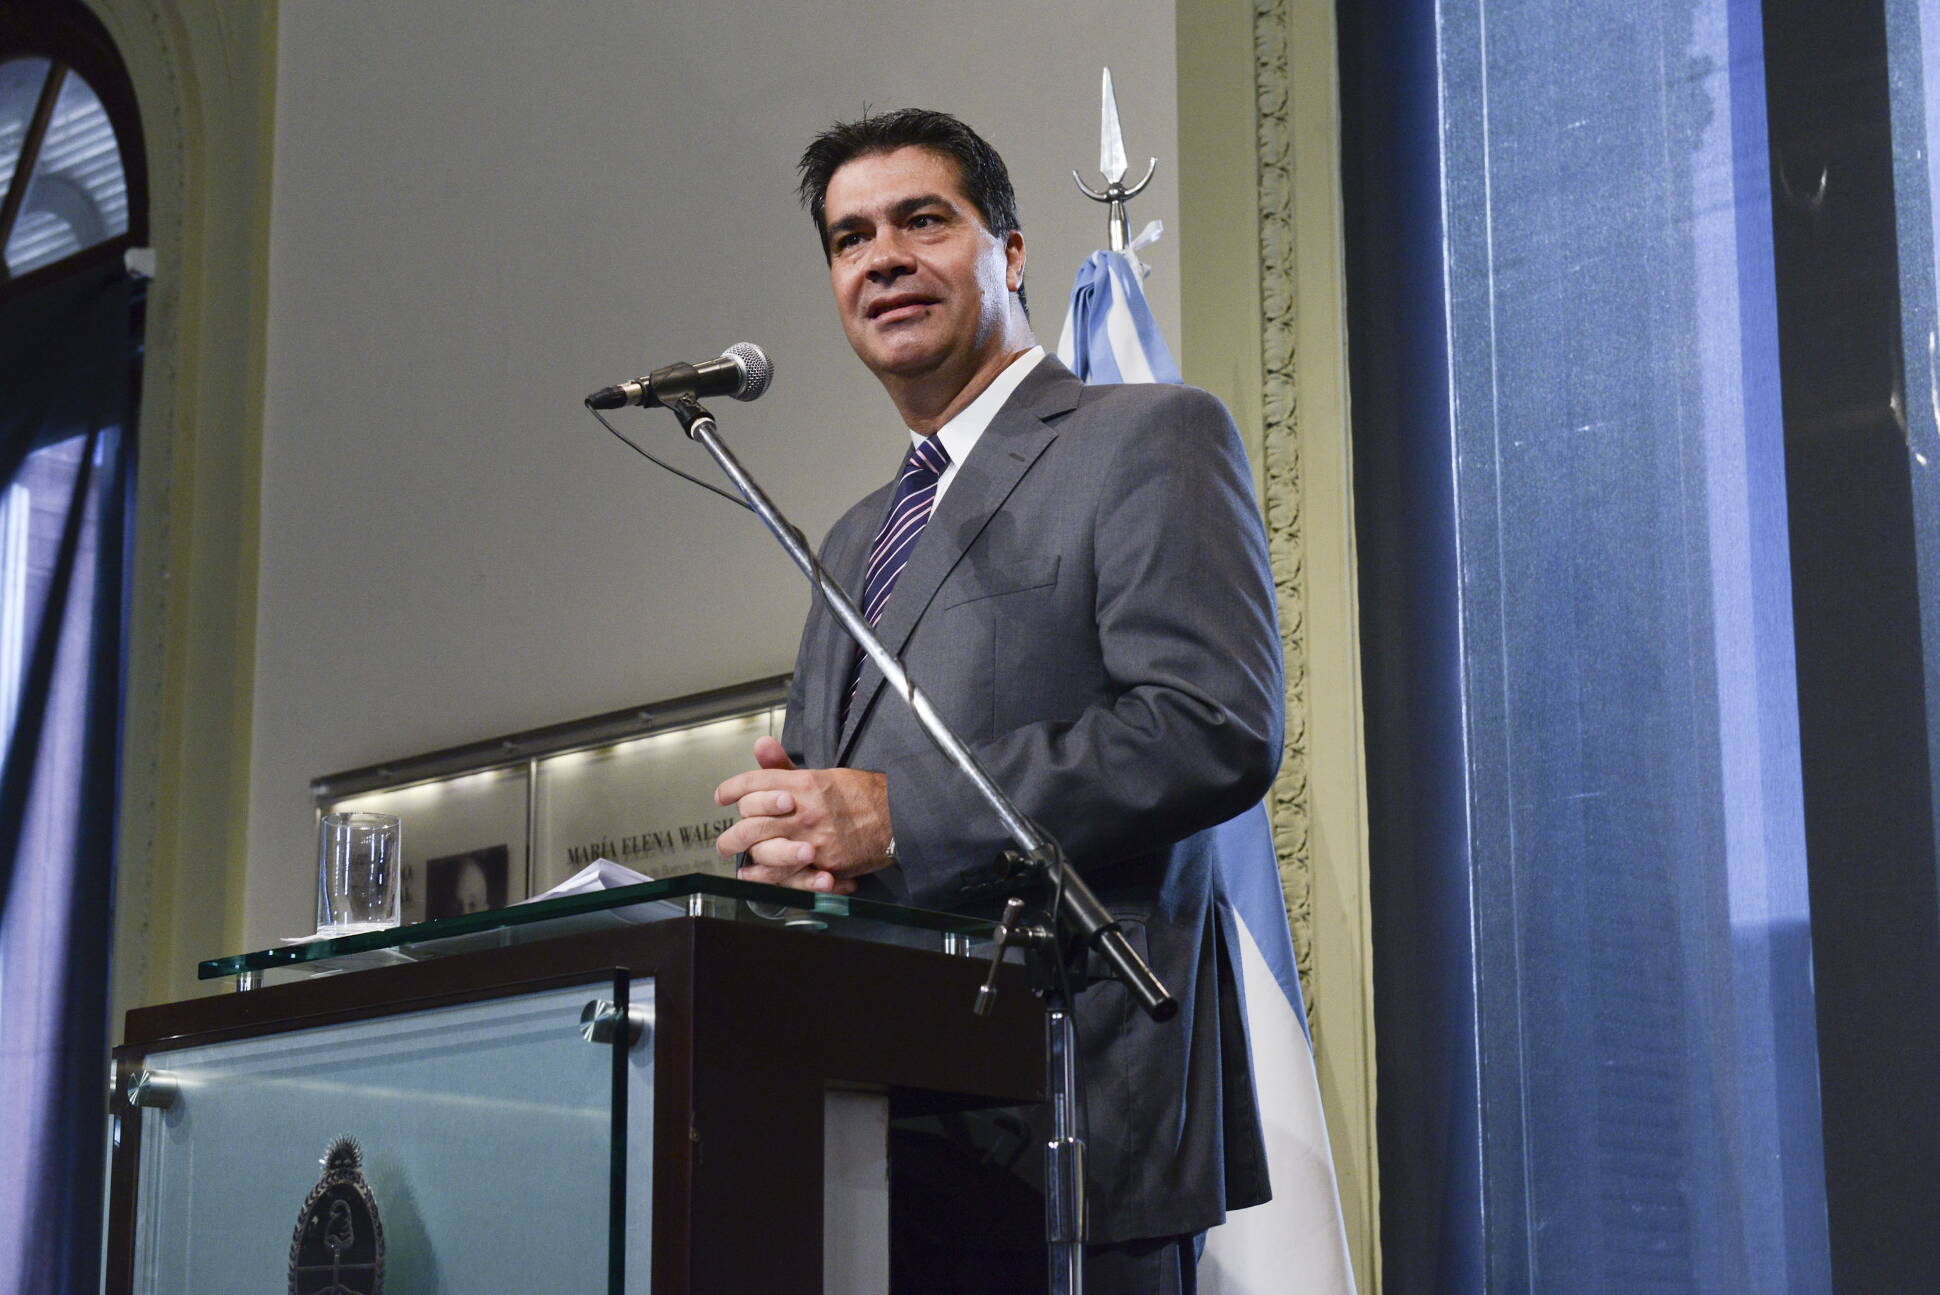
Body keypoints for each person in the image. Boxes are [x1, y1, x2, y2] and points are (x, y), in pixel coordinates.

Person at [713, 108, 1282, 1295]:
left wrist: (892, 817)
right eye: (848, 237)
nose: (881, 257)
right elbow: (841, 812)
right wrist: (794, 843)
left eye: (923, 220)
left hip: (1074, 1131)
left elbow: (1207, 724)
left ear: (1010, 251)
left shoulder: (1147, 437)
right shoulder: (853, 536)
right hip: (874, 1140)